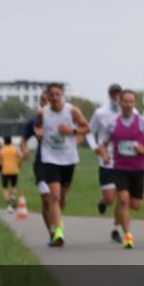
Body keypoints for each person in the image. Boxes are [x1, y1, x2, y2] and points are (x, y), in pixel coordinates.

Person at [98, 89, 144, 249]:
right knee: (124, 200)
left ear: (134, 103)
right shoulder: (111, 123)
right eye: (125, 101)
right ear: (120, 103)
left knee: (136, 205)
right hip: (119, 168)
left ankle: (118, 220)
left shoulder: (143, 122)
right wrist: (105, 155)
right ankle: (128, 236)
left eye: (131, 101)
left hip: (138, 168)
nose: (128, 104)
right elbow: (102, 144)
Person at [35, 82, 89, 247]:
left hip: (68, 158)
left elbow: (86, 128)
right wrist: (39, 133)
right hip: (50, 158)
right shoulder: (42, 112)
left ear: (62, 95)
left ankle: (58, 219)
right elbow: (37, 127)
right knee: (54, 196)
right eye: (51, 95)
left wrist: (71, 131)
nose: (54, 97)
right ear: (48, 96)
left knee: (62, 197)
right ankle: (58, 231)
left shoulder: (71, 111)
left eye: (58, 94)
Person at [87, 83, 124, 242]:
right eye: (113, 93)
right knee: (110, 199)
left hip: (125, 161)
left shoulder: (130, 111)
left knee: (123, 199)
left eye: (118, 93)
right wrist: (94, 146)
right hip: (106, 160)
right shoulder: (100, 113)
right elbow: (89, 131)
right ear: (109, 95)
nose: (116, 96)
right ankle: (103, 202)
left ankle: (116, 229)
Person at [21, 90, 53, 232]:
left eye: (47, 100)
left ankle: (58, 225)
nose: (43, 103)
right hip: (41, 163)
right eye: (42, 100)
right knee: (46, 199)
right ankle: (52, 232)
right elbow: (24, 139)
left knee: (57, 199)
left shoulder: (64, 119)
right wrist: (25, 149)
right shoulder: (34, 121)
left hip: (60, 164)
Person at [0, 135, 23, 213]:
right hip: (14, 170)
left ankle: (9, 204)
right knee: (14, 186)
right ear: (11, 141)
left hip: (5, 171)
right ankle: (13, 200)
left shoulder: (1, 150)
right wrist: (18, 163)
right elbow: (21, 156)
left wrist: (1, 163)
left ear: (4, 142)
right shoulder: (15, 149)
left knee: (4, 188)